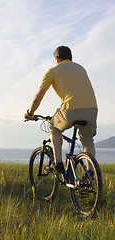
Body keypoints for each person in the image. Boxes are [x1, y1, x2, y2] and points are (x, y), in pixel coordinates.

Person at [25, 46, 98, 174]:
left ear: (57, 59)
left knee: (54, 126)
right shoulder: (80, 68)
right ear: (70, 58)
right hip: (92, 110)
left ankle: (57, 163)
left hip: (71, 109)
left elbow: (37, 97)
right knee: (87, 141)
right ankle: (90, 175)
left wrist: (30, 113)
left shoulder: (53, 71)